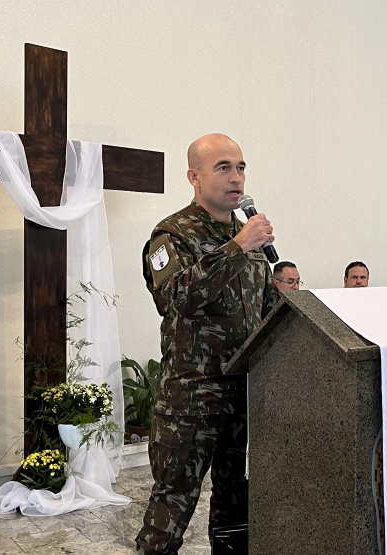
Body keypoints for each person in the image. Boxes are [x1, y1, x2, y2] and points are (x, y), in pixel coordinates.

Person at [136, 133, 278, 555]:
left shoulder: (249, 238)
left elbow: (267, 312)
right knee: (171, 508)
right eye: (223, 168)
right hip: (192, 399)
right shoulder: (171, 235)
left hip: (242, 396)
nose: (236, 177)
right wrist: (237, 247)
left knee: (236, 508)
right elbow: (176, 298)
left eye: (241, 167)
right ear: (194, 177)